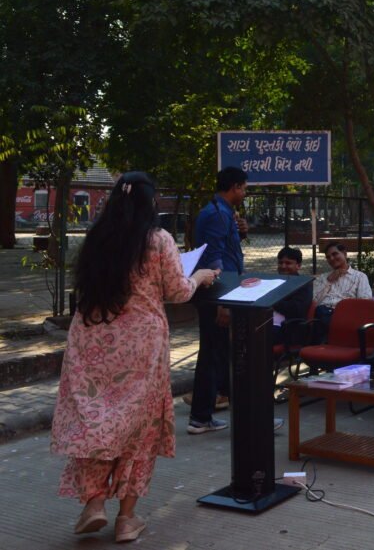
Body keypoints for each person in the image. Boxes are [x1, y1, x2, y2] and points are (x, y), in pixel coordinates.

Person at [51, 172, 219, 542]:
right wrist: (201, 276)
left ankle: (94, 503)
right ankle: (126, 519)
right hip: (141, 345)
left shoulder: (97, 238)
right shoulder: (157, 239)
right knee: (140, 428)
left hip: (92, 338)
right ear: (150, 202)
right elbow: (177, 291)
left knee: (96, 420)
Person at [188, 166, 248, 435]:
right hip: (218, 293)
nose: (244, 194)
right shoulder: (216, 214)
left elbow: (228, 249)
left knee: (219, 354)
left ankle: (210, 415)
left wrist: (241, 233)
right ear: (235, 187)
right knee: (214, 354)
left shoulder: (223, 213)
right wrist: (223, 302)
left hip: (223, 290)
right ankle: (202, 416)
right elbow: (215, 259)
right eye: (244, 189)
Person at [311, 243, 372, 338]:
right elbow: (315, 301)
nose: (331, 258)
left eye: (334, 254)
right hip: (322, 313)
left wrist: (344, 306)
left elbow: (365, 301)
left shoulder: (360, 277)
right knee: (320, 312)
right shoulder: (323, 278)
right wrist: (329, 281)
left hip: (346, 314)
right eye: (328, 257)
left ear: (344, 254)